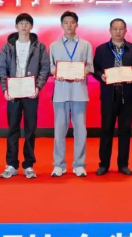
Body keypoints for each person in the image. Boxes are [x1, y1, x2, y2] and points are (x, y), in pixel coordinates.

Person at [0, 13, 50, 179]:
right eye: (21, 23)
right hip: (13, 92)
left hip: (30, 92)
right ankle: (11, 164)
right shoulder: (7, 47)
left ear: (31, 27)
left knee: (30, 129)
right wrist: (5, 89)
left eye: (27, 23)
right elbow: (2, 69)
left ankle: (28, 165)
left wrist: (38, 87)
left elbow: (45, 68)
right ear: (16, 26)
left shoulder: (39, 47)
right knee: (12, 129)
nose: (24, 26)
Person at [92, 18, 132, 176]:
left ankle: (123, 164)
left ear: (126, 31)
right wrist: (101, 76)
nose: (118, 31)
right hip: (108, 94)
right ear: (110, 30)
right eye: (115, 28)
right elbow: (95, 68)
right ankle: (104, 164)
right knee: (106, 129)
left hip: (127, 95)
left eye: (121, 28)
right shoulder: (101, 49)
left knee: (125, 130)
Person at [49, 11, 94, 177]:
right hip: (60, 93)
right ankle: (59, 164)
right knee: (59, 130)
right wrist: (58, 72)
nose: (69, 25)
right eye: (66, 22)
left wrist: (80, 71)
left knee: (80, 130)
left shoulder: (85, 45)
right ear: (62, 25)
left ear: (77, 24)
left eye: (72, 22)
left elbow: (90, 67)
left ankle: (79, 164)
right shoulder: (54, 46)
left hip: (79, 92)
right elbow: (51, 68)